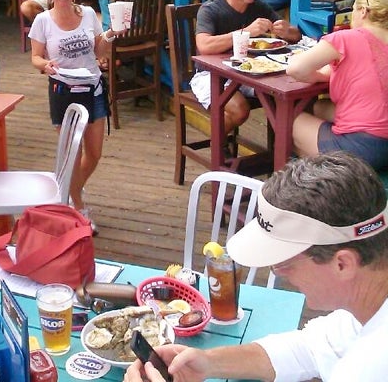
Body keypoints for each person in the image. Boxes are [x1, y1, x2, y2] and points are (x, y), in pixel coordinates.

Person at [126, 152, 388, 382]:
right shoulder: (366, 305)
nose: (276, 271)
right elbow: (308, 349)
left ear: (343, 264)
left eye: (285, 261)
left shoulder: (371, 366)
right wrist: (207, 363)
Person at [29, 0, 115, 234]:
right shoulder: (42, 20)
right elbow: (35, 58)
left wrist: (111, 35)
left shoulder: (88, 14)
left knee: (95, 153)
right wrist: (46, 65)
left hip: (92, 87)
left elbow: (100, 50)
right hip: (63, 90)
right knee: (73, 153)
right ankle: (79, 208)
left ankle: (69, 190)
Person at [191, 0, 300, 134]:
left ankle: (276, 155)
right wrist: (247, 32)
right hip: (210, 75)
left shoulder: (258, 6)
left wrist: (287, 30)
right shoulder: (210, 9)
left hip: (248, 72)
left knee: (284, 97)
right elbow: (204, 46)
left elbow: (296, 36)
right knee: (239, 110)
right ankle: (217, 148)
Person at [287, 0, 388, 170]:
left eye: (353, 10)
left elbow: (295, 68)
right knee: (318, 107)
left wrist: (316, 76)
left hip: (364, 149)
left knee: (287, 120)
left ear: (363, 11)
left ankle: (316, 183)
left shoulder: (346, 38)